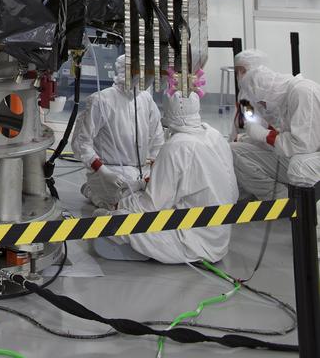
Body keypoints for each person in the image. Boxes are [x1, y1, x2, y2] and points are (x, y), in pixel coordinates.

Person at [94, 90, 239, 263]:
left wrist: (119, 205)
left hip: (193, 240)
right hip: (220, 236)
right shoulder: (214, 135)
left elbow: (150, 207)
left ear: (168, 113)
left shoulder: (175, 147)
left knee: (108, 221)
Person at [70, 54, 164, 206]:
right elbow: (81, 143)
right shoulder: (101, 100)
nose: (147, 79)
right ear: (128, 72)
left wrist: (152, 172)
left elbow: (158, 140)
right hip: (110, 172)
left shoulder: (146, 100)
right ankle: (93, 189)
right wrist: (103, 171)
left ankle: (94, 191)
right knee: (123, 203)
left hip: (142, 172)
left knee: (160, 197)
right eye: (143, 73)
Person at [231, 49, 320, 200]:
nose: (262, 107)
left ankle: (300, 207)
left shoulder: (302, 92)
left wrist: (264, 135)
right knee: (235, 150)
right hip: (296, 151)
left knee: (298, 167)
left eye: (242, 70)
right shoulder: (280, 96)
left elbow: (304, 146)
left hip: (308, 155)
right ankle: (281, 199)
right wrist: (254, 138)